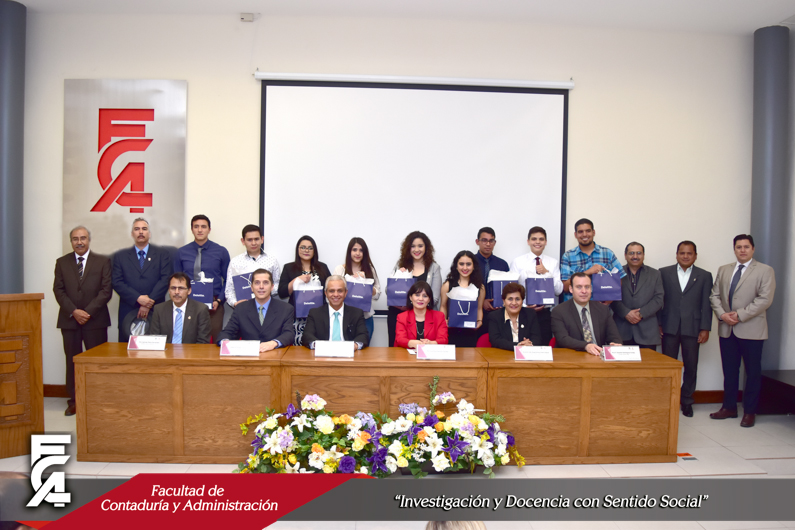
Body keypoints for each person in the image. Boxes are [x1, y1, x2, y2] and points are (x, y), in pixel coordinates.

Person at [709, 234, 776, 428]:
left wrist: (739, 315)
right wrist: (723, 315)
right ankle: (729, 407)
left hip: (751, 329)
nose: (743, 250)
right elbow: (714, 296)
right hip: (727, 329)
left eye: (746, 247)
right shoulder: (724, 269)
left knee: (752, 372)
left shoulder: (765, 270)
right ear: (734, 249)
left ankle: (750, 411)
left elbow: (765, 299)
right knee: (729, 371)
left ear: (753, 249)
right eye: (739, 247)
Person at [53, 226, 112, 416]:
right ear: (71, 241)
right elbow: (58, 290)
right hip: (69, 321)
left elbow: (106, 291)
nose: (79, 242)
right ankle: (74, 401)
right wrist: (74, 311)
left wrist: (87, 312)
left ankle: (97, 400)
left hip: (95, 321)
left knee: (97, 363)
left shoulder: (103, 261)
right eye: (75, 239)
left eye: (83, 238)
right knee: (72, 362)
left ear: (89, 240)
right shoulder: (62, 263)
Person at [659, 241, 713, 417]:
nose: (685, 256)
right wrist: (658, 323)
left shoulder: (704, 275)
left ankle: (687, 401)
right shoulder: (663, 273)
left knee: (691, 366)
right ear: (676, 255)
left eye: (689, 253)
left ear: (695, 256)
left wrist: (705, 328)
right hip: (669, 326)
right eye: (682, 253)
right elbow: (659, 300)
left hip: (693, 327)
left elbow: (706, 304)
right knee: (668, 365)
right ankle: (667, 400)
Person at [112, 218, 171, 342]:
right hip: (128, 309)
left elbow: (165, 279)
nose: (140, 232)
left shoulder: (162, 254)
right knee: (126, 350)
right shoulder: (120, 256)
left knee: (154, 349)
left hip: (155, 309)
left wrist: (148, 302)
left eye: (144, 229)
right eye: (137, 229)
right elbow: (117, 282)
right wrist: (138, 298)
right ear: (132, 234)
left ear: (149, 233)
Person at [174, 214, 230, 341]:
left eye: (203, 227)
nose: (200, 230)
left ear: (209, 230)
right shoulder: (181, 252)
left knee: (214, 342)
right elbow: (176, 281)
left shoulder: (221, 251)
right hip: (187, 304)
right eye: (196, 227)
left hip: (214, 305)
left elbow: (228, 280)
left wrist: (219, 301)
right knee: (188, 340)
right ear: (192, 229)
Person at [510, 226, 564, 346]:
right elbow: (512, 290)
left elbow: (559, 290)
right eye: (534, 239)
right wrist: (525, 305)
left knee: (543, 347)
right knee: (523, 346)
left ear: (545, 242)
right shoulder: (518, 262)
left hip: (544, 314)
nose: (538, 242)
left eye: (541, 239)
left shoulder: (553, 262)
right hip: (523, 312)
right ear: (528, 241)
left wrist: (547, 273)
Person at [387, 231, 442, 347]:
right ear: (408, 248)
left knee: (423, 350)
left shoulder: (434, 267)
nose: (416, 250)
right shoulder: (400, 265)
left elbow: (435, 298)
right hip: (398, 315)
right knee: (397, 350)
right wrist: (398, 276)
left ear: (426, 248)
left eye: (420, 246)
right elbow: (389, 291)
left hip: (422, 318)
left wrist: (412, 307)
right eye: (413, 246)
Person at [217, 269, 294, 351]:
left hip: (275, 353)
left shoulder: (286, 308)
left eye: (265, 283)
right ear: (252, 287)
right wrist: (226, 342)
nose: (261, 287)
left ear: (272, 287)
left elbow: (289, 334)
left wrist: (273, 343)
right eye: (257, 283)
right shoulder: (241, 308)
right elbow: (227, 332)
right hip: (248, 355)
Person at [277, 235, 331, 346]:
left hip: (319, 316)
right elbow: (282, 293)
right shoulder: (289, 268)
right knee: (298, 348)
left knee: (318, 347)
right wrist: (296, 280)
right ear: (298, 249)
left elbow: (330, 288)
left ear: (314, 251)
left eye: (310, 248)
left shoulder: (322, 267)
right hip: (297, 317)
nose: (306, 250)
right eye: (303, 247)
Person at [551, 272, 622, 355]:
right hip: (572, 355)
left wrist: (615, 344)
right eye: (579, 287)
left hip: (597, 355)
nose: (584, 291)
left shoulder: (602, 309)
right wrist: (586, 346)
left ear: (591, 288)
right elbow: (562, 339)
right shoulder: (559, 311)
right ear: (571, 289)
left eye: (587, 287)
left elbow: (614, 336)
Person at [610, 242, 663, 350]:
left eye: (639, 253)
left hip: (647, 331)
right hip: (621, 330)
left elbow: (659, 299)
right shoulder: (615, 273)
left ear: (643, 255)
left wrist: (641, 313)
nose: (635, 256)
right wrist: (626, 313)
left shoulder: (655, 274)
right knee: (621, 361)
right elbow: (611, 297)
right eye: (631, 253)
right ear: (625, 255)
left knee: (648, 361)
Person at [560, 218, 625, 302]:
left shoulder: (608, 253)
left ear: (593, 232)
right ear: (575, 235)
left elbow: (619, 280)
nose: (584, 234)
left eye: (588, 231)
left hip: (601, 307)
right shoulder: (567, 256)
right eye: (580, 232)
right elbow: (565, 287)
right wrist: (588, 272)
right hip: (574, 307)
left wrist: (610, 299)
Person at [333, 237, 381, 341]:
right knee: (344, 349)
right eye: (354, 250)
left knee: (364, 348)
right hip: (344, 317)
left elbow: (377, 295)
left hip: (365, 318)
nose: (358, 253)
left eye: (361, 250)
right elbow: (332, 293)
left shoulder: (370, 269)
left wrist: (366, 282)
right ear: (349, 251)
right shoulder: (340, 269)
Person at [302, 275, 369, 349]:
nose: (336, 295)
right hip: (323, 352)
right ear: (326, 293)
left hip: (348, 353)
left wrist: (354, 346)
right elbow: (307, 335)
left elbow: (363, 335)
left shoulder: (356, 313)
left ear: (346, 293)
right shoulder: (315, 313)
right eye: (332, 291)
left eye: (340, 291)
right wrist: (318, 346)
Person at [225, 224, 280, 311]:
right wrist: (235, 303)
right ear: (243, 241)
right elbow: (229, 289)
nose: (253, 243)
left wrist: (263, 292)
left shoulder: (272, 260)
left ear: (262, 239)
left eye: (256, 239)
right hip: (244, 309)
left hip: (267, 307)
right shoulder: (235, 262)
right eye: (249, 240)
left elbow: (277, 283)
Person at [440, 250, 486, 347]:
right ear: (456, 266)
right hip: (451, 332)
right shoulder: (448, 285)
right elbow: (443, 306)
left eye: (468, 264)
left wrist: (479, 321)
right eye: (461, 264)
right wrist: (443, 321)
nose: (465, 268)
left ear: (474, 266)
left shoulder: (480, 287)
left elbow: (479, 308)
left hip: (471, 333)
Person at [149, 272, 211, 344]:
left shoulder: (200, 310)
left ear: (189, 291)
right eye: (173, 288)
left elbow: (203, 341)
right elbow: (154, 339)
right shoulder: (159, 309)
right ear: (169, 290)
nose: (176, 292)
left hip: (191, 351)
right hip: (166, 350)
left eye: (181, 288)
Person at [487, 283, 542, 351]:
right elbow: (495, 340)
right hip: (503, 354)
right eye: (510, 299)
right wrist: (518, 346)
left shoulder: (530, 314)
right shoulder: (494, 316)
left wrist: (529, 344)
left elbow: (537, 338)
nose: (514, 303)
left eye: (517, 299)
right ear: (504, 301)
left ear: (522, 301)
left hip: (526, 354)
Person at [395, 281, 448, 348]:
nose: (420, 299)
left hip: (431, 353)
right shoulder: (402, 317)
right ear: (410, 297)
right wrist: (411, 343)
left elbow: (443, 339)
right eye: (417, 295)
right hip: (407, 353)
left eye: (425, 296)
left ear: (429, 299)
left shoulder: (439, 316)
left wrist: (431, 343)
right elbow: (400, 339)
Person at [474, 227, 509, 316]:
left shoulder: (502, 264)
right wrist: (481, 301)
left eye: (491, 241)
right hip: (474, 311)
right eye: (484, 240)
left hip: (499, 312)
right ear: (477, 242)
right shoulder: (470, 263)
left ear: (495, 243)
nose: (488, 244)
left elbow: (508, 289)